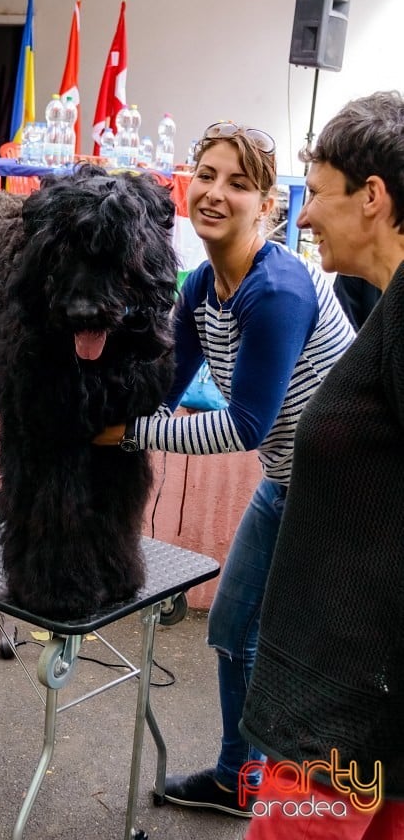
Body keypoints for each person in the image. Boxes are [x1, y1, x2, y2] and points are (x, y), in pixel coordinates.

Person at [94, 121, 356, 817]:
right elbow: (161, 387)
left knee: (269, 641)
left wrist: (121, 435)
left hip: (342, 493)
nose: (215, 193)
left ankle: (273, 789)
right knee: (235, 629)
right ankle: (243, 778)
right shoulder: (201, 286)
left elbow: (246, 425)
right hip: (290, 480)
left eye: (238, 184)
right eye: (206, 175)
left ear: (267, 204)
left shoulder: (277, 291)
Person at [240, 92, 404, 838]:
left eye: (317, 193)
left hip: (350, 705)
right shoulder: (377, 301)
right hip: (359, 702)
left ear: (373, 197)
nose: (302, 216)